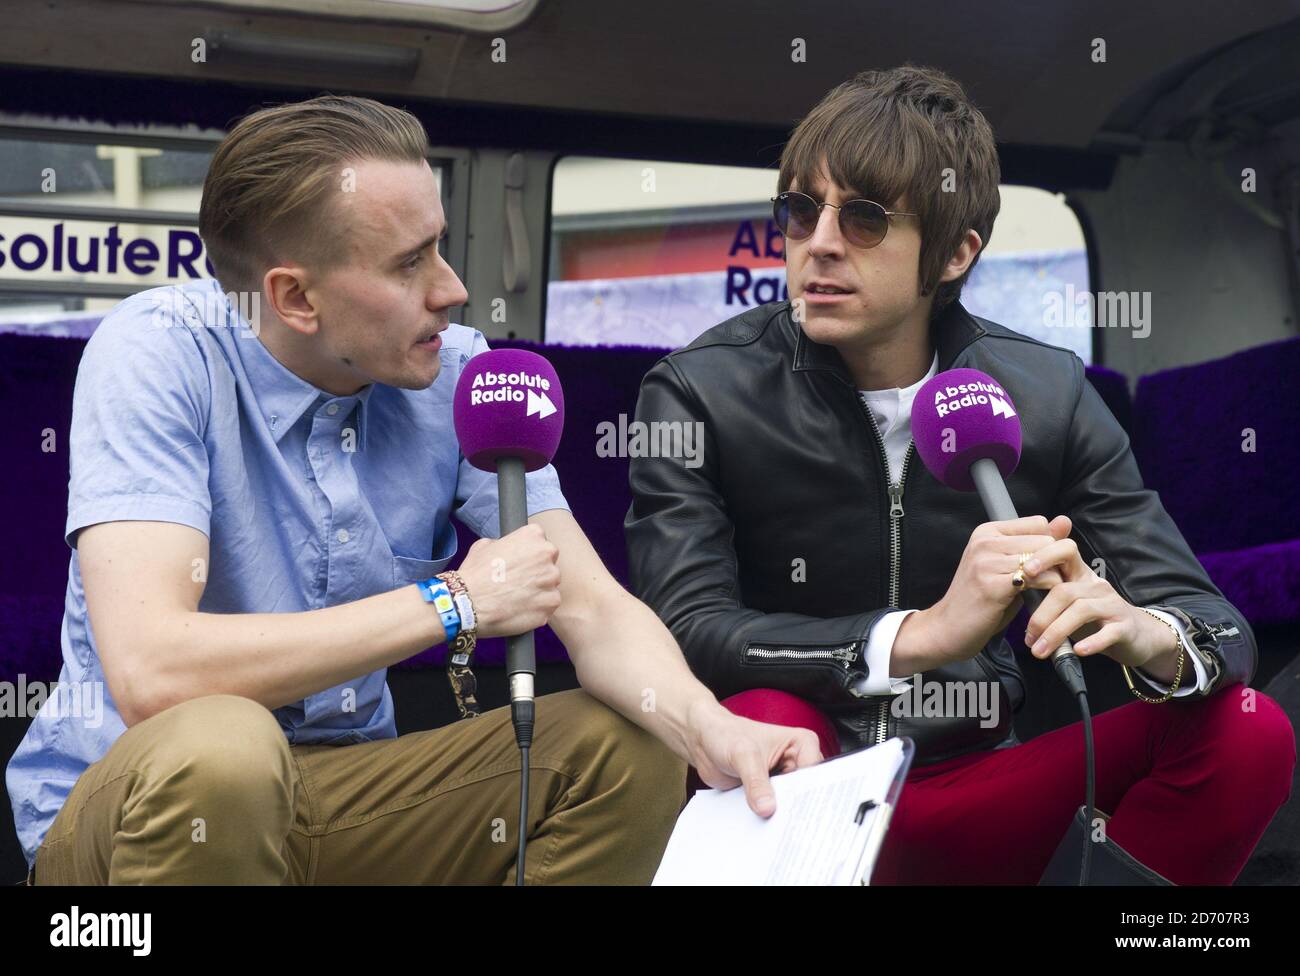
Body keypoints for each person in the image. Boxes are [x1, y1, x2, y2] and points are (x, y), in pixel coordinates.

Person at [6, 94, 823, 886]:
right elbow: (154, 671)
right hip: (142, 802)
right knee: (226, 748)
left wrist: (713, 728)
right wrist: (455, 601)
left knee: (631, 742)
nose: (453, 288)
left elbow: (594, 608)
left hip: (351, 793)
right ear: (294, 297)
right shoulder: (160, 352)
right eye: (409, 263)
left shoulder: (461, 370)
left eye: (439, 245)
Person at [624, 65, 1296, 884]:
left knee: (1250, 728)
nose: (820, 242)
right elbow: (685, 627)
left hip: (975, 783)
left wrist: (1147, 631)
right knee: (764, 716)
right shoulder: (699, 389)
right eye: (801, 210)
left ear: (954, 253)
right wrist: (922, 636)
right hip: (795, 786)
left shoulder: (1046, 394)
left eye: (864, 219)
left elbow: (1217, 626)